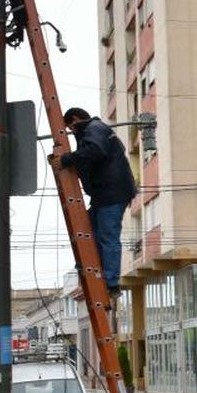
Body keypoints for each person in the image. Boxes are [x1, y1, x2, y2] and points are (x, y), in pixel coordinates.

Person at [57, 108, 137, 295]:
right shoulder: (93, 131)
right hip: (105, 194)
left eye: (70, 127)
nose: (72, 131)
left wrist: (67, 159)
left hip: (112, 193)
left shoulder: (94, 129)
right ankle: (90, 270)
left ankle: (110, 282)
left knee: (107, 236)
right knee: (88, 231)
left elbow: (95, 151)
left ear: (75, 119)